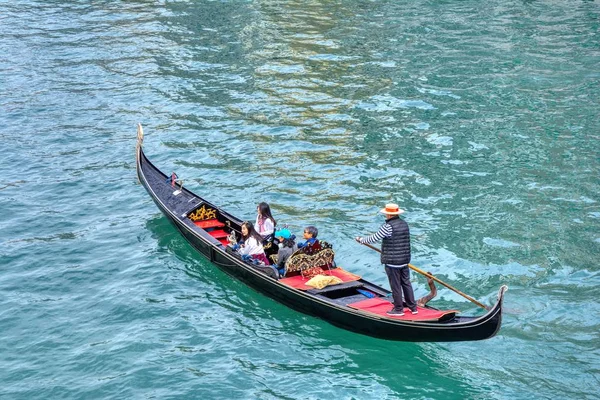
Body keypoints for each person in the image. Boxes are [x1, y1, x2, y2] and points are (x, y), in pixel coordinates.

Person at [355, 203, 417, 317]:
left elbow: (374, 238)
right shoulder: (404, 224)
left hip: (393, 262)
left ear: (388, 214)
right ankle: (413, 307)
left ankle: (398, 309)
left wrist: (361, 240)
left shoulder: (388, 226)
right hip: (404, 260)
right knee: (406, 283)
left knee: (396, 285)